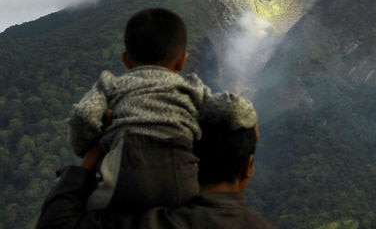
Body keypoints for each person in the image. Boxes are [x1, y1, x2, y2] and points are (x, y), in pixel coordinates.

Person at [67, 8, 246, 210]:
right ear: (182, 60)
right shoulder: (193, 88)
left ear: (126, 59)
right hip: (180, 180)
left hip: (125, 176)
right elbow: (234, 110)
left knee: (84, 207)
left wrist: (88, 148)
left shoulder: (110, 84)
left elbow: (83, 114)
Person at [36, 94, 275, 228]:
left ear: (190, 157)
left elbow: (55, 224)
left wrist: (97, 147)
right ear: (247, 167)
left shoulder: (149, 222)